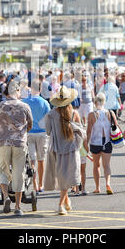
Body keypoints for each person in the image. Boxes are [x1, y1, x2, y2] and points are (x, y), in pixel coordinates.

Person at [0, 80, 33, 216]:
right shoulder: (24, 106)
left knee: (2, 170)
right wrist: (22, 134)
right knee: (19, 172)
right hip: (19, 143)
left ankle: (6, 197)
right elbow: (30, 124)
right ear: (16, 91)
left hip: (3, 142)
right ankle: (18, 207)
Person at [44, 86, 85, 215]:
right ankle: (61, 204)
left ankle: (65, 202)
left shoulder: (50, 114)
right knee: (67, 177)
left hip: (57, 149)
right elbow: (82, 132)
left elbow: (48, 132)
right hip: (72, 149)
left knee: (62, 178)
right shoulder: (75, 113)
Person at [85, 92, 118, 195]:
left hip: (95, 142)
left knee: (96, 165)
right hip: (107, 141)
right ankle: (108, 183)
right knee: (107, 165)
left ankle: (97, 187)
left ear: (95, 102)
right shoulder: (110, 113)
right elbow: (115, 127)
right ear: (104, 102)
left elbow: (89, 131)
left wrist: (86, 143)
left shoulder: (91, 115)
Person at [23, 79, 51, 193]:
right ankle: (41, 184)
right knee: (41, 160)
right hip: (42, 133)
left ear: (30, 88)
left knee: (32, 160)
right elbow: (49, 118)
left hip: (29, 133)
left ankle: (34, 184)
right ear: (40, 89)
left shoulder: (25, 102)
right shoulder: (44, 102)